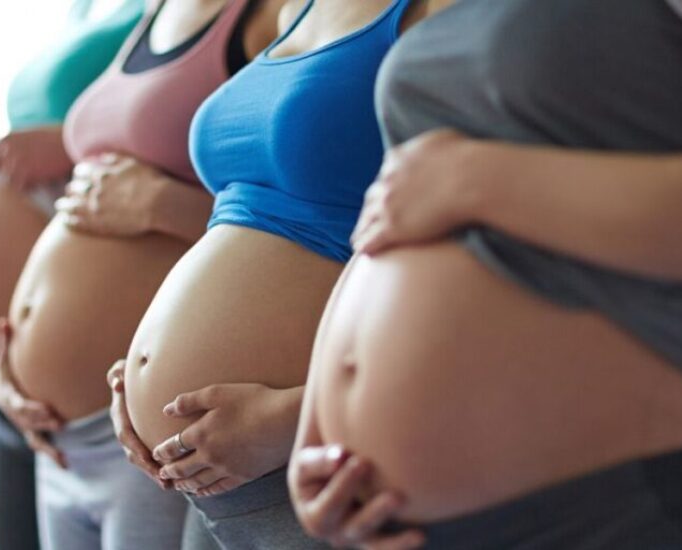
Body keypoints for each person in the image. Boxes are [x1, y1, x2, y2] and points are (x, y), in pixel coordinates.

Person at [288, 0, 682, 547]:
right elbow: (392, 211)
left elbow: (443, 182)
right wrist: (314, 438)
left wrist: (474, 180)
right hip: (404, 514)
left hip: (613, 494)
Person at [108, 0, 417, 547]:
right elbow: (237, 231)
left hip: (313, 457)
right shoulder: (296, 9)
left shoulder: (441, 15)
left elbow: (467, 281)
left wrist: (294, 417)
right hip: (208, 476)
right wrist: (139, 374)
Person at [0, 0, 288, 548]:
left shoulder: (273, 16)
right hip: (58, 435)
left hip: (141, 428)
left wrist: (160, 203)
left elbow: (282, 216)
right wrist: (12, 360)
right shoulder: (157, 14)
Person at [0, 2, 143, 549]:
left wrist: (67, 145)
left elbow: (169, 146)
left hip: (92, 404)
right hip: (5, 384)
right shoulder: (91, 11)